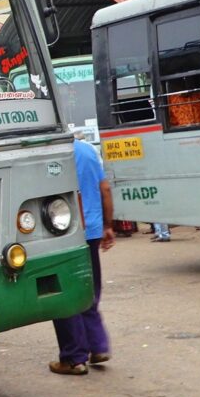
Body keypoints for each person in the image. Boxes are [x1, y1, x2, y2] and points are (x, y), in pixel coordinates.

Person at [49, 139, 115, 375]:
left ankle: (74, 358)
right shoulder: (87, 150)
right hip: (93, 231)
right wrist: (108, 225)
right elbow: (105, 189)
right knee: (90, 289)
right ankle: (97, 346)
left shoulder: (51, 151)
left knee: (65, 294)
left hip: (64, 231)